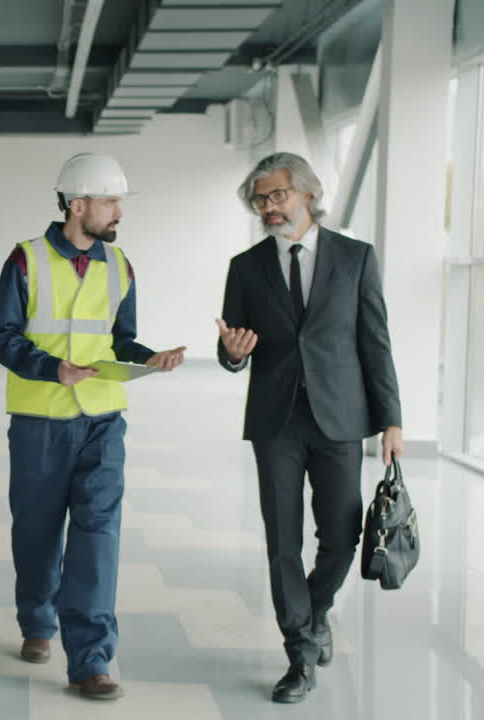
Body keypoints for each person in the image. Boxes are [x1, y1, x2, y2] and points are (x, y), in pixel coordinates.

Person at [0, 152, 186, 701]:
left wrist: (151, 357)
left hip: (102, 421)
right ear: (78, 205)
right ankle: (37, 620)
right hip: (39, 422)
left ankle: (91, 659)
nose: (119, 211)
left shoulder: (120, 266)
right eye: (110, 201)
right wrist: (52, 369)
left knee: (99, 536)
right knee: (37, 531)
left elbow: (121, 339)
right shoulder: (25, 260)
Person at [217, 152, 403, 704]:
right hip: (276, 422)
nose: (268, 208)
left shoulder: (355, 258)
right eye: (260, 200)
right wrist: (229, 355)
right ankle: (300, 651)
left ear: (306, 193)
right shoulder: (246, 267)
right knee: (281, 543)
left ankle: (316, 610)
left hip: (342, 418)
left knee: (343, 538)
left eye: (277, 196)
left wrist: (391, 419)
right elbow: (232, 345)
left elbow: (376, 342)